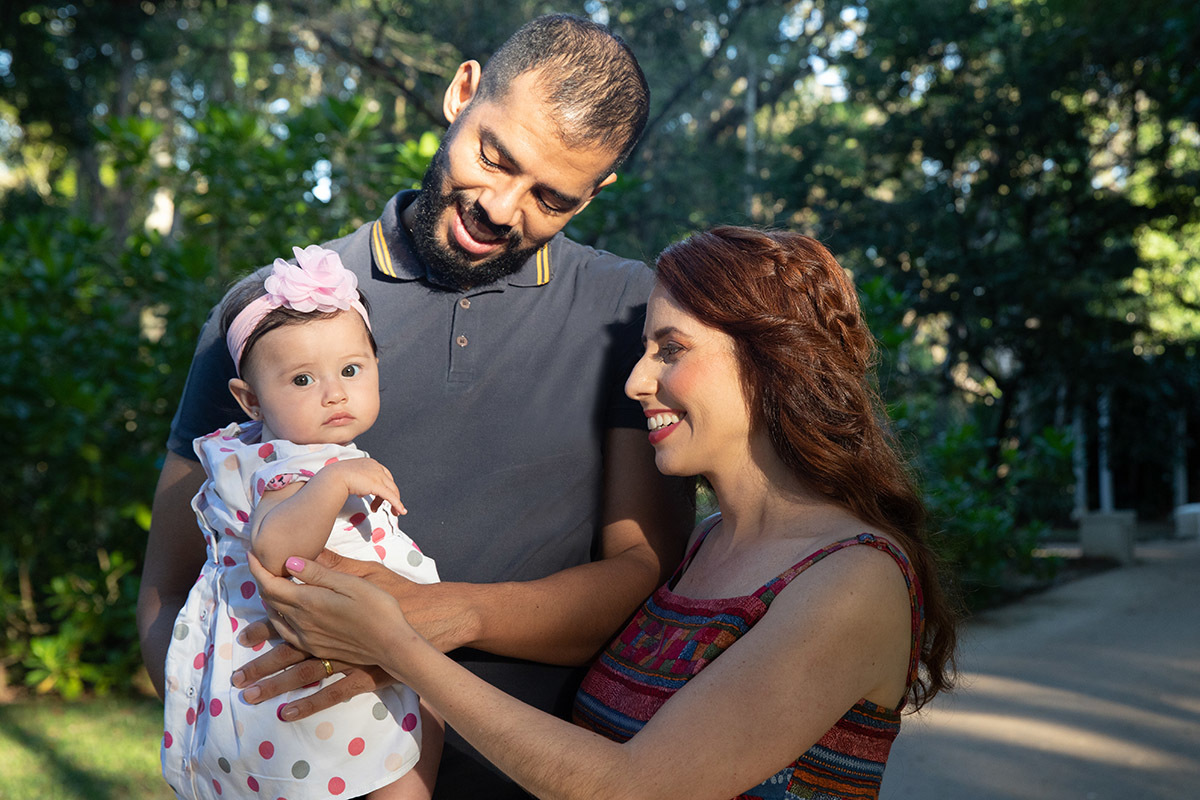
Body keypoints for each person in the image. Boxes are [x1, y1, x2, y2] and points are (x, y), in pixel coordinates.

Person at [137, 14, 693, 798]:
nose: (502, 208)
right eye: (494, 158)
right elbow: (168, 583)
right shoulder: (273, 313)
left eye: (551, 198)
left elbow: (643, 575)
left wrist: (437, 619)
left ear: (597, 193)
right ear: (462, 93)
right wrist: (235, 729)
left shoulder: (626, 312)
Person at [247, 226, 960, 800]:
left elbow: (634, 786)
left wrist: (398, 645)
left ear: (771, 363)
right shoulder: (704, 547)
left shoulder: (851, 580)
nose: (635, 380)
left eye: (670, 350)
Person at [161, 245, 442, 800]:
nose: (335, 392)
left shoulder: (301, 453)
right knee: (392, 766)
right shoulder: (292, 466)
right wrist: (333, 485)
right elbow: (273, 547)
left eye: (351, 370)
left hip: (344, 655)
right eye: (302, 381)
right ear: (251, 401)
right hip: (316, 671)